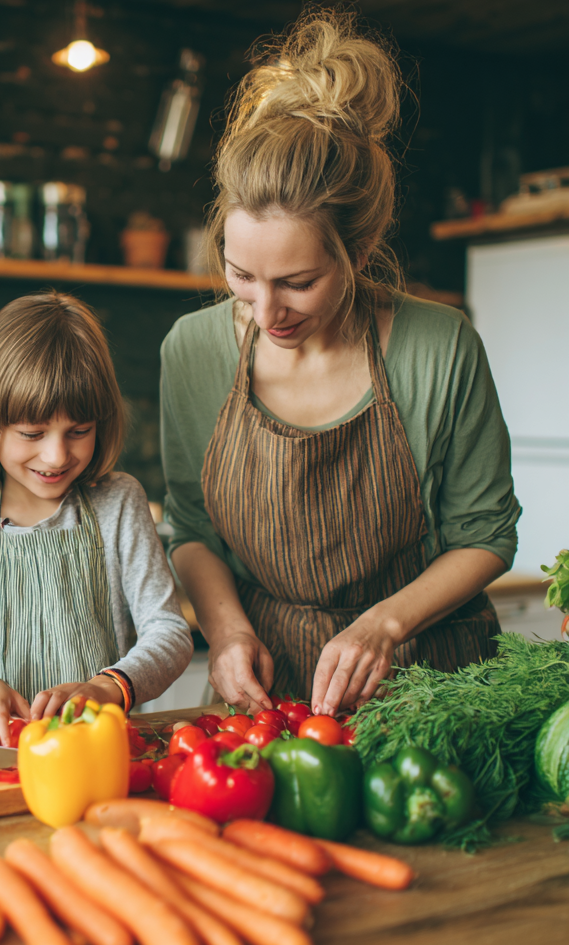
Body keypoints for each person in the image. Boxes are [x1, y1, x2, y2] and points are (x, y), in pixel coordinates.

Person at [160, 12, 521, 718]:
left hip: (432, 684)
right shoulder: (193, 349)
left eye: (297, 283)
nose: (266, 312)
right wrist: (227, 632)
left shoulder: (440, 348)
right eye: (241, 276)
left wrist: (383, 625)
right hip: (264, 695)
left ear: (358, 252)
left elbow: (486, 536)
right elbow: (192, 529)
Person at [0, 292, 193, 745]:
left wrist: (109, 687)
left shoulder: (118, 503)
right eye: (32, 433)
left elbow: (169, 632)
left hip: (95, 751)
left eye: (79, 431)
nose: (56, 455)